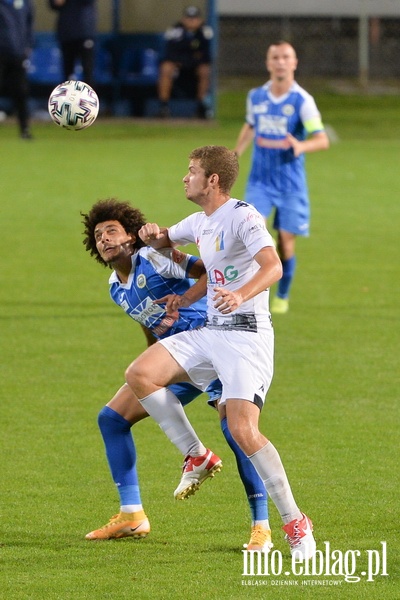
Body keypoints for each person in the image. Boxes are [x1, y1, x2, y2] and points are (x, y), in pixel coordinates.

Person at [125, 145, 317, 560]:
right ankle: (195, 454)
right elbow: (164, 241)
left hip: (247, 337)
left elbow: (273, 266)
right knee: (140, 374)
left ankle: (295, 521)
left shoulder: (244, 216)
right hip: (212, 333)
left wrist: (240, 294)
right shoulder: (200, 221)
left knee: (244, 431)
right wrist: (151, 235)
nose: (185, 177)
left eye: (191, 171)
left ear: (213, 180)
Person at [81, 198, 272, 551]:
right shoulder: (115, 286)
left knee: (237, 432)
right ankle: (132, 515)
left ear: (130, 236)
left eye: (112, 230)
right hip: (177, 361)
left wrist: (169, 250)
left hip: (214, 348)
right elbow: (148, 325)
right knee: (111, 419)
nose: (104, 239)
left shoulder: (153, 259)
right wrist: (148, 365)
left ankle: (261, 525)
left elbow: (207, 272)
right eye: (97, 235)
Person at [233, 41, 329, 314]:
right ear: (268, 63)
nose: (280, 62)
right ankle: (251, 295)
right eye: (275, 57)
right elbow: (251, 125)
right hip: (260, 181)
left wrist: (300, 146)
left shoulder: (302, 101)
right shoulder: (256, 97)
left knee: (286, 243)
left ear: (294, 63)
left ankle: (283, 294)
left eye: (286, 57)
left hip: (290, 185)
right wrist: (236, 152)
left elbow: (321, 139)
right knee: (255, 233)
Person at [157, 5, 213, 119]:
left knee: (205, 70)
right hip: (178, 64)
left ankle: (201, 107)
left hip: (196, 65)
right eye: (189, 18)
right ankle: (164, 107)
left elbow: (206, 55)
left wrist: (192, 53)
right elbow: (170, 53)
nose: (192, 21)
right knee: (166, 68)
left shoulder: (205, 31)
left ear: (200, 20)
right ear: (183, 19)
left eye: (194, 18)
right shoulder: (175, 30)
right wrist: (187, 55)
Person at [0, 0, 34, 139]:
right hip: (1, 52)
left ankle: (24, 129)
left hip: (18, 54)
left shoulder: (25, 3)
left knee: (21, 92)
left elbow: (29, 25)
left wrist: (28, 46)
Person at [49, 0, 96, 86]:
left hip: (84, 32)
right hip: (67, 33)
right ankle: (68, 98)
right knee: (68, 75)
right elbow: (55, 4)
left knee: (88, 73)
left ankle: (89, 99)